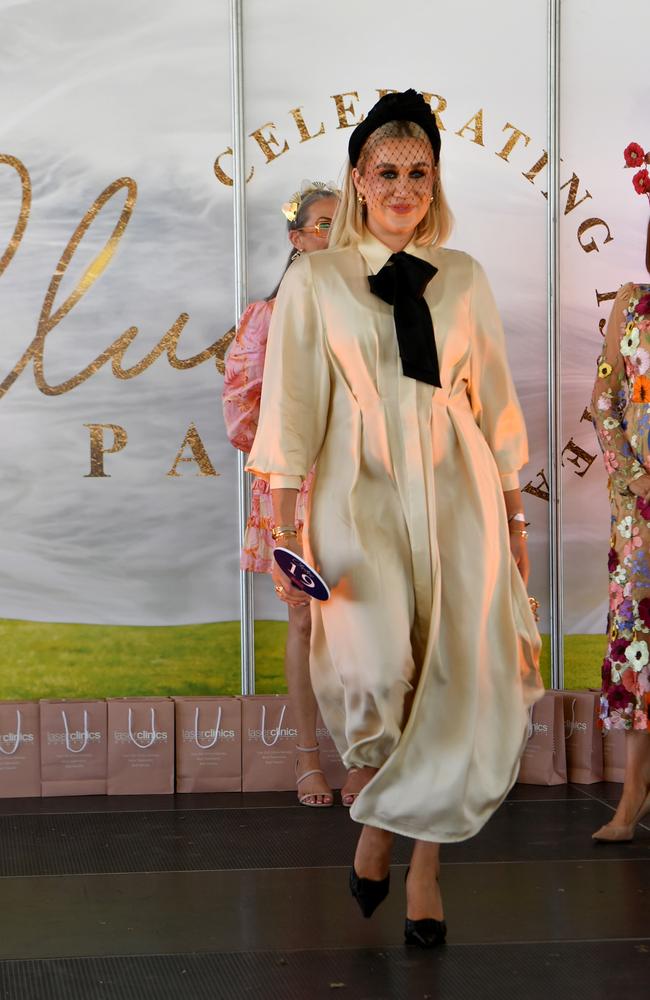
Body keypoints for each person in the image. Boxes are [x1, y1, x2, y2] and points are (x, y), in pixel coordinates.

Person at [247, 90, 543, 947]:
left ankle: (417, 861)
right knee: (375, 670)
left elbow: (493, 402)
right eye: (387, 172)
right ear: (359, 179)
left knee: (450, 676)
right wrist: (283, 525)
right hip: (356, 489)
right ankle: (381, 820)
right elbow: (293, 407)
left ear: (435, 179)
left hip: (459, 491)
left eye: (420, 171)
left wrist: (517, 522)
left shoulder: (467, 277)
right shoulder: (317, 279)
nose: (404, 187)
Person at [223, 180, 362, 808]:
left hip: (362, 484)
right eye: (320, 225)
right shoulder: (268, 316)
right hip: (294, 488)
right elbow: (241, 409)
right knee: (304, 617)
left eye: (342, 224)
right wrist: (294, 452)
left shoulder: (368, 309)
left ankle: (367, 757)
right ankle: (307, 757)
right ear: (296, 238)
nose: (331, 236)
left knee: (366, 618)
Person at [590, 142, 650, 842]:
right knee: (639, 643)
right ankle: (632, 794)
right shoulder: (632, 305)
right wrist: (628, 473)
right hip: (640, 507)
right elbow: (606, 396)